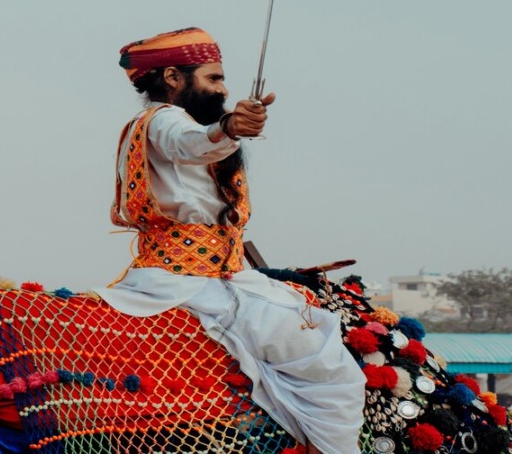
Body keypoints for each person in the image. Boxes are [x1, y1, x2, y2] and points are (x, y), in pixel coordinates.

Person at [93, 28, 365, 454]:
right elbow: (192, 144)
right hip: (198, 282)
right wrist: (230, 127)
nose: (222, 89)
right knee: (333, 370)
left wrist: (227, 130)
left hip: (214, 274)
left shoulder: (171, 123)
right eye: (213, 79)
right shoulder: (166, 121)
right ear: (173, 77)